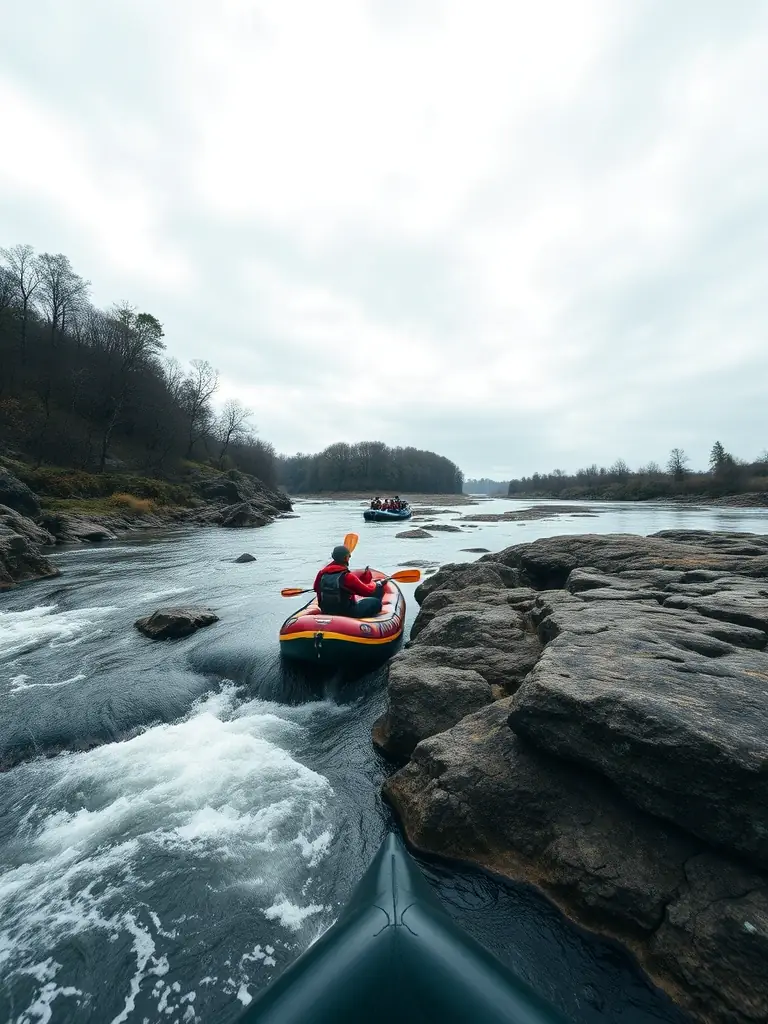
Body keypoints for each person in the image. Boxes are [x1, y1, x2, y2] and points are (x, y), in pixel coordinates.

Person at [313, 545, 384, 617]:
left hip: (326, 610)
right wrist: (376, 584)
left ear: (332, 556)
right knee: (376, 602)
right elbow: (368, 592)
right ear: (346, 558)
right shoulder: (347, 576)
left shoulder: (322, 573)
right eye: (349, 556)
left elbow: (316, 588)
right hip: (347, 612)